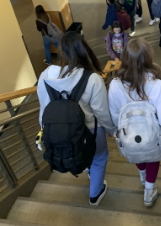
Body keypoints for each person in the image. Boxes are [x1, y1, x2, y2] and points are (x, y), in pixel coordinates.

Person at [37, 32, 117, 205]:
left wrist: (46, 131)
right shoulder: (92, 79)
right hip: (91, 131)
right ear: (84, 50)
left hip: (58, 130)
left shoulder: (45, 77)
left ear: (61, 52)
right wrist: (112, 130)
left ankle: (87, 169)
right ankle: (95, 195)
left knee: (79, 151)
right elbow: (102, 112)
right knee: (99, 157)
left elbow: (44, 109)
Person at [108, 38, 161, 206]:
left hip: (129, 134)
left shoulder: (115, 85)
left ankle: (142, 175)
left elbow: (116, 116)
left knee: (136, 142)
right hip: (153, 133)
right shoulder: (157, 84)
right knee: (152, 152)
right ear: (148, 57)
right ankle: (149, 190)